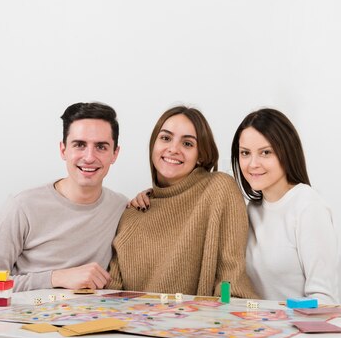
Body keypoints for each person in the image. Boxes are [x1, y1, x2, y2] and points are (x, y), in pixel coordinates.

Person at [0, 102, 128, 297]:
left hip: (89, 321)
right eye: (79, 145)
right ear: (63, 150)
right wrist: (56, 278)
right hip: (26, 320)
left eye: (101, 147)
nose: (89, 157)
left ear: (115, 154)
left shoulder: (121, 207)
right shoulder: (23, 206)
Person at [108, 106, 258, 298]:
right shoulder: (132, 214)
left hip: (204, 324)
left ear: (201, 155)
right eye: (165, 138)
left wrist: (226, 314)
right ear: (154, 145)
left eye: (187, 144)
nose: (173, 149)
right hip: (135, 325)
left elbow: (230, 277)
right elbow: (113, 292)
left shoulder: (220, 189)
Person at [231, 108, 339, 303]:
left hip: (300, 328)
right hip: (259, 327)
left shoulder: (308, 206)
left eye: (265, 152)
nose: (252, 163)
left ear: (286, 153)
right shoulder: (251, 210)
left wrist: (278, 321)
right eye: (245, 153)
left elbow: (324, 299)